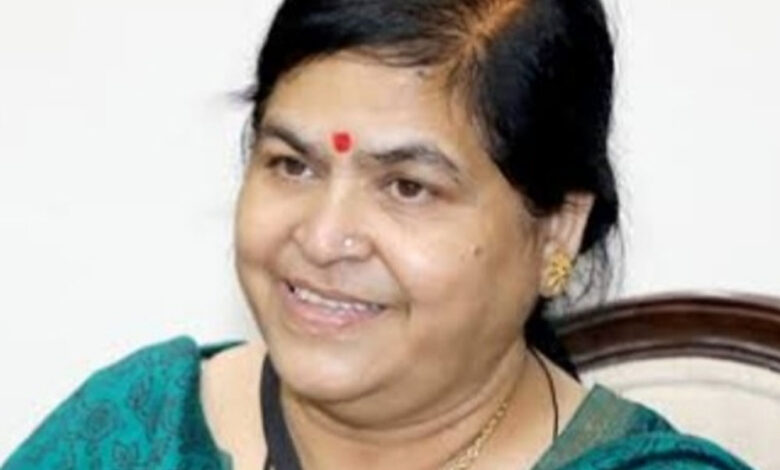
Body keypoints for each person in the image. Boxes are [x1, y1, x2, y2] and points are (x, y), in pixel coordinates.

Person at [2, 0, 753, 469]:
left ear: (556, 229)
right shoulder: (138, 429)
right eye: (292, 165)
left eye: (407, 187)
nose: (324, 237)